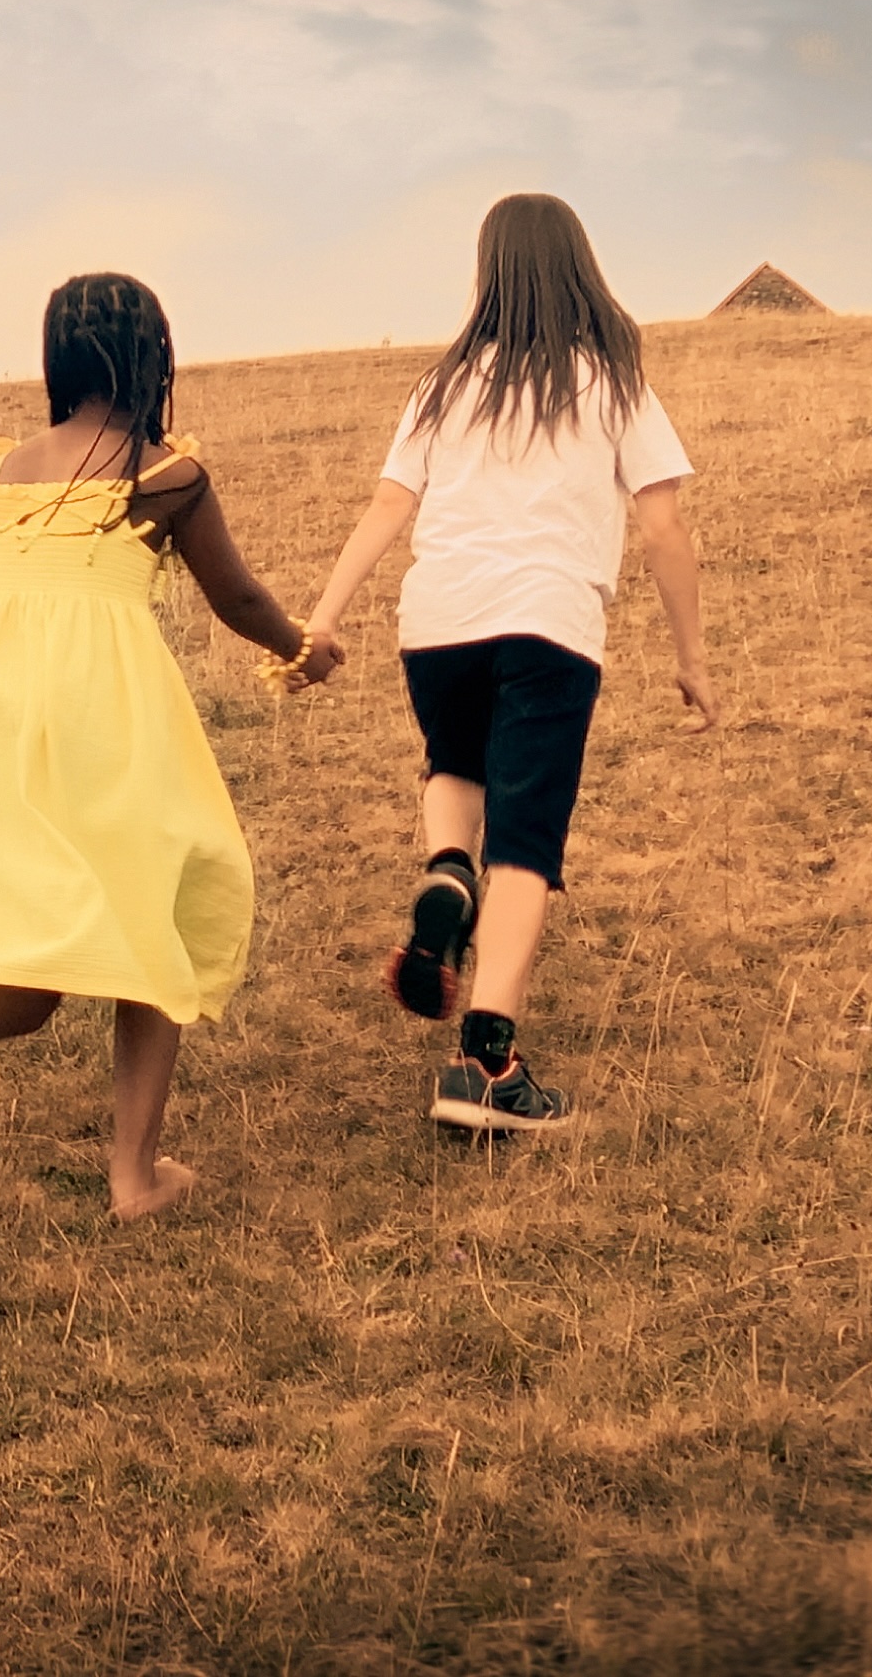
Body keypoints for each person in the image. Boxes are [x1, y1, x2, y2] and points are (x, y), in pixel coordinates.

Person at [0, 272, 335, 1219]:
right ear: (155, 358)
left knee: (36, 952)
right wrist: (303, 646)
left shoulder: (2, 474)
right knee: (160, 914)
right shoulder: (166, 473)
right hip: (106, 722)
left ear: (56, 359)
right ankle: (133, 1178)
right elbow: (240, 600)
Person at [294, 192, 722, 1136]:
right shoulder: (611, 383)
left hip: (435, 621)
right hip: (548, 625)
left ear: (489, 271)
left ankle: (448, 870)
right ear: (579, 263)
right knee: (526, 845)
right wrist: (691, 658)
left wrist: (318, 622)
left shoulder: (444, 386)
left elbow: (385, 510)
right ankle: (489, 1065)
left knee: (453, 767)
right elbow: (663, 529)